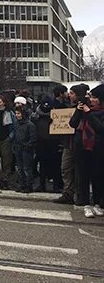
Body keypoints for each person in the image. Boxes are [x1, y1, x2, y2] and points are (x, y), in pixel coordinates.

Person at [69, 84, 104, 218]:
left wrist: (88, 113)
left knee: (98, 176)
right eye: (91, 97)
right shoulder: (84, 109)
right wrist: (79, 111)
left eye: (95, 98)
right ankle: (85, 204)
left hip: (98, 148)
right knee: (83, 176)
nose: (92, 100)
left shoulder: (96, 112)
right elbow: (72, 124)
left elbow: (100, 128)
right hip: (83, 147)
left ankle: (97, 202)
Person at [53, 84, 85, 204]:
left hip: (79, 142)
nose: (69, 95)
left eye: (72, 93)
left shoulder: (84, 108)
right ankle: (68, 193)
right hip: (68, 142)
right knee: (65, 168)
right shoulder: (67, 105)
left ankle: (80, 194)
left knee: (78, 170)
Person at [32, 96, 63, 192]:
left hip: (53, 142)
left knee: (54, 165)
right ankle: (42, 184)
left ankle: (56, 185)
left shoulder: (55, 116)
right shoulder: (36, 117)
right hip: (41, 142)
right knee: (43, 165)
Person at [13, 107, 37, 193]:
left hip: (26, 149)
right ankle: (22, 184)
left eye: (18, 113)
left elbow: (33, 138)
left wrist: (28, 146)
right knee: (20, 168)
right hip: (18, 148)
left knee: (27, 168)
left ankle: (28, 185)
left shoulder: (30, 125)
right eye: (16, 113)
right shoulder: (16, 123)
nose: (17, 115)